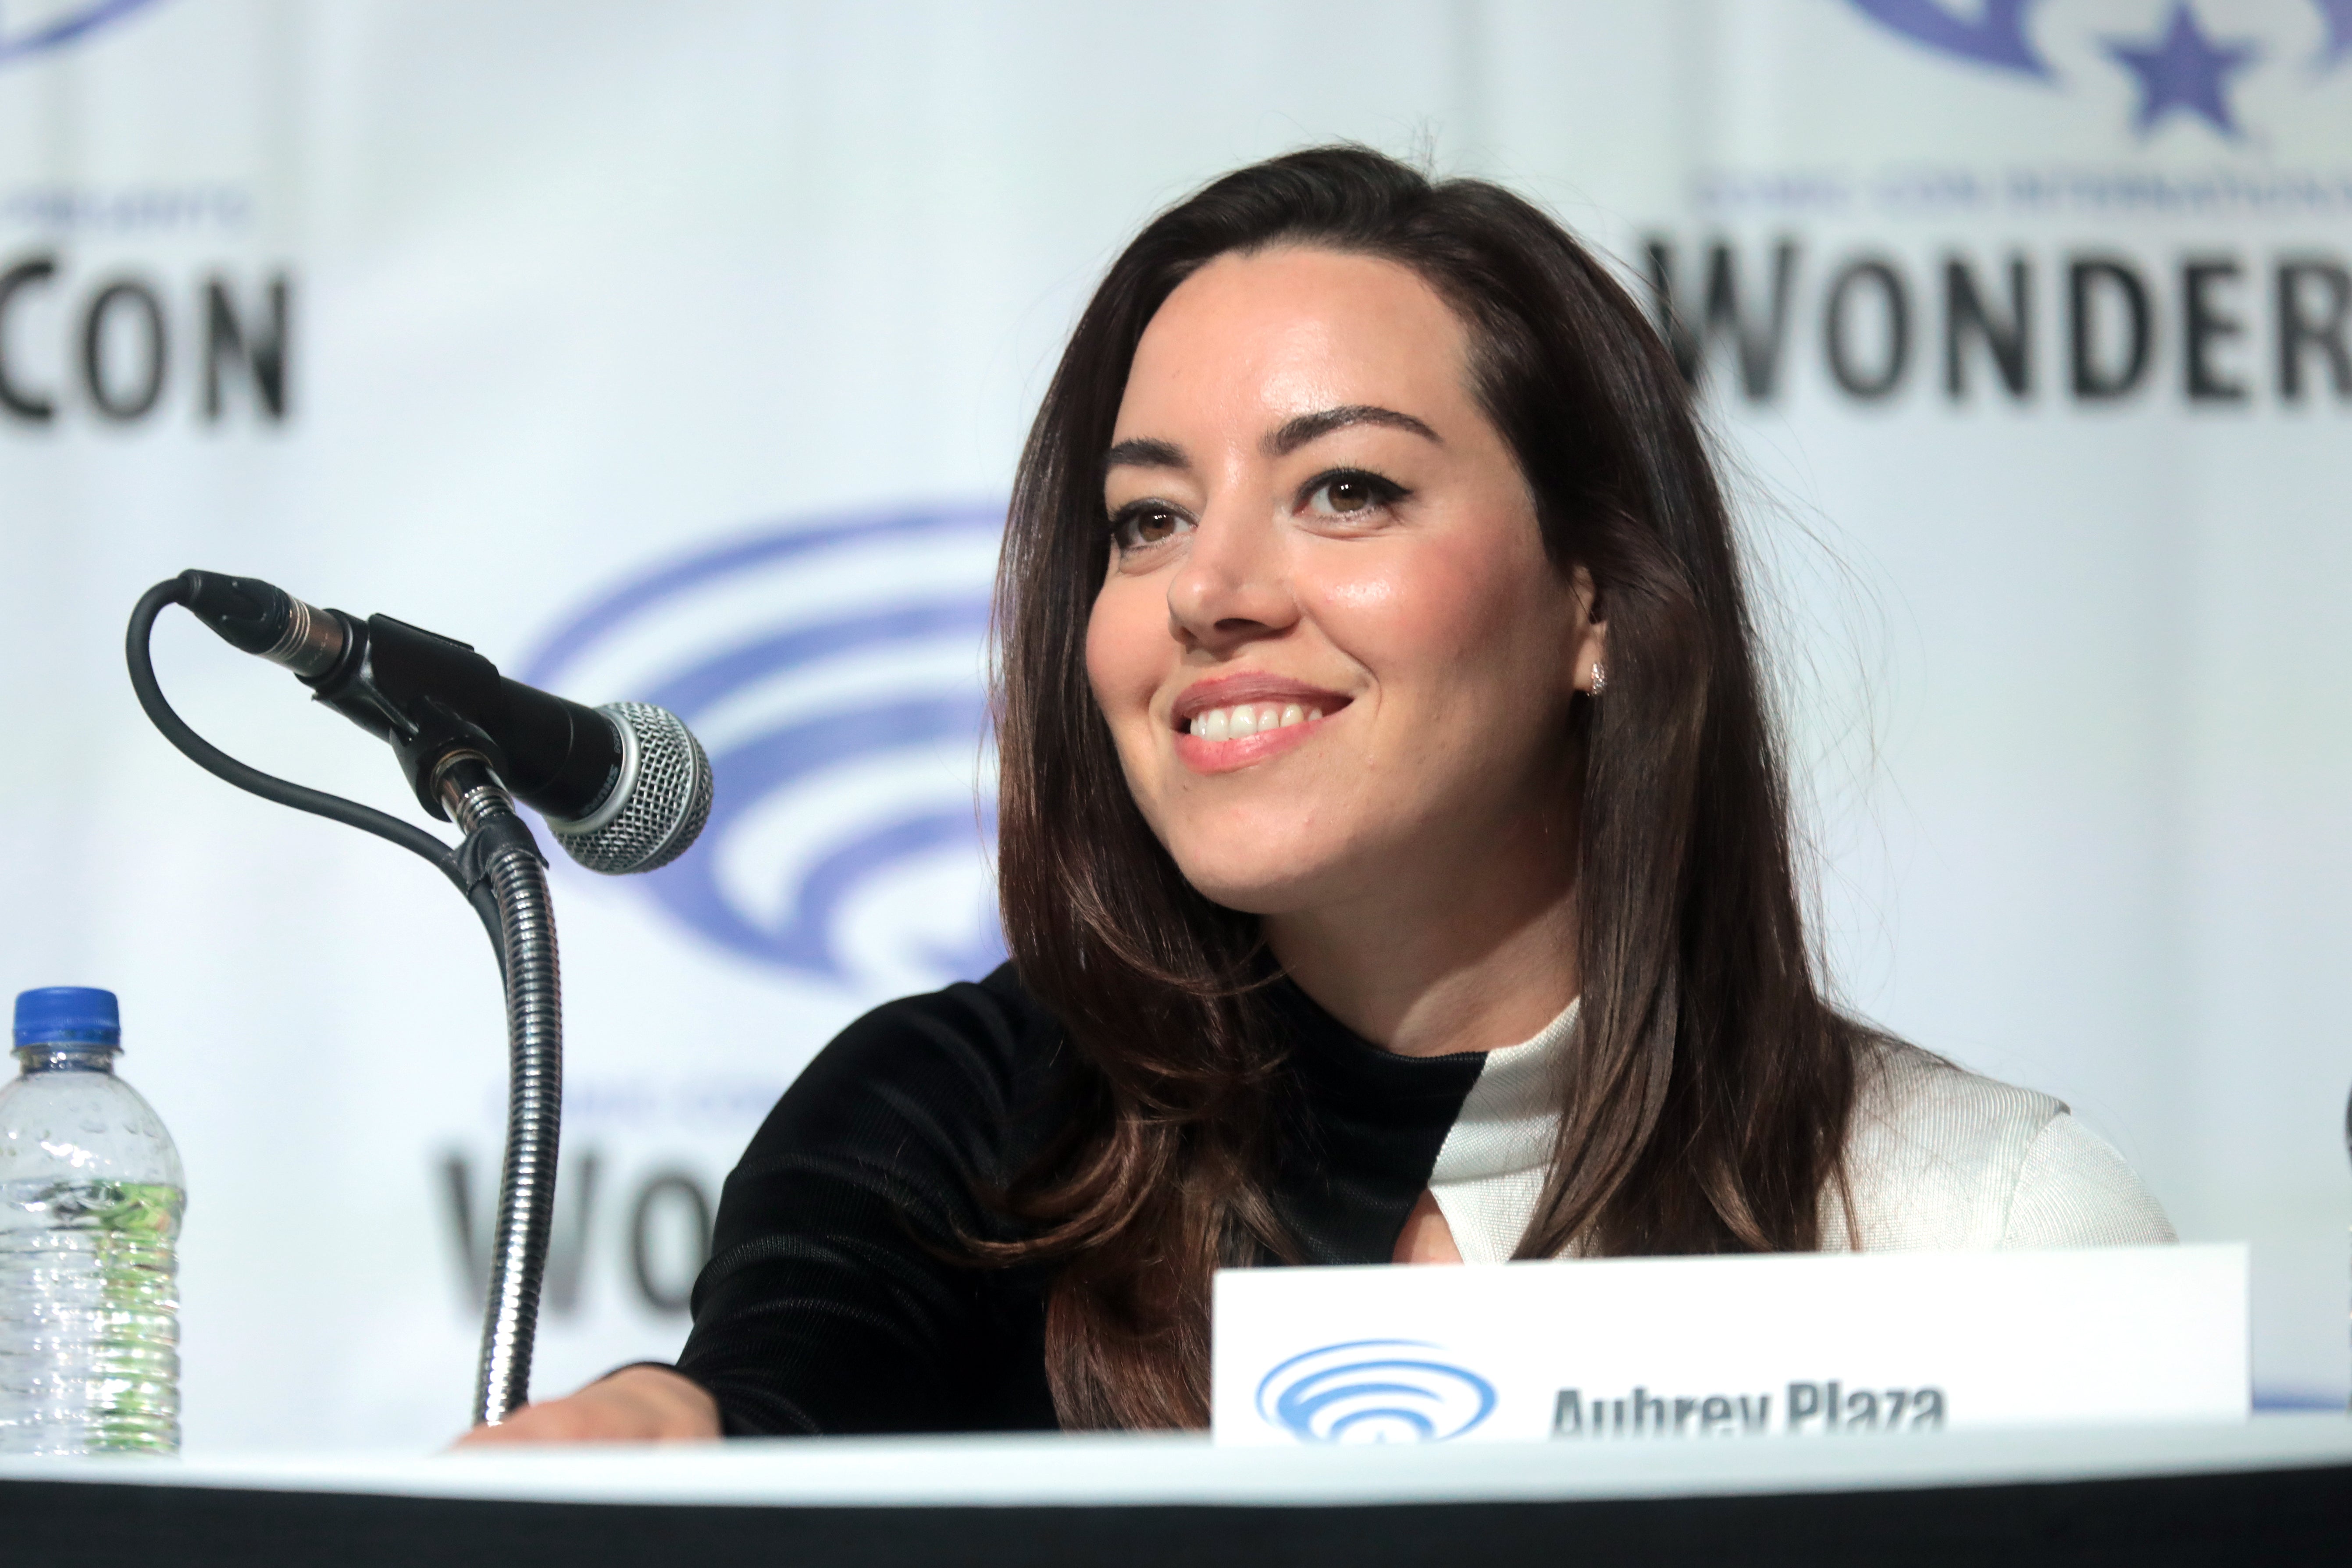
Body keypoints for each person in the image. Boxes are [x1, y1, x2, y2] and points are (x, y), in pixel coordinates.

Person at [459, 146, 2172, 1445]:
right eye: (1144, 520)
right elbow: (789, 1371)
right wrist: (670, 1425)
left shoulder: (1983, 1232)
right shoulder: (972, 1129)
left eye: (1343, 489)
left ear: (1594, 598)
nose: (1212, 589)